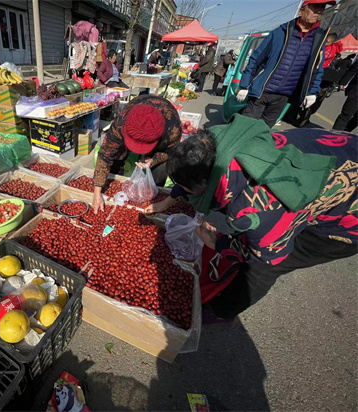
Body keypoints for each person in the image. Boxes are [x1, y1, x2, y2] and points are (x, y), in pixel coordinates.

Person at [147, 114, 357, 318]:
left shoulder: (257, 207)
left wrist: (218, 244)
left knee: (267, 265)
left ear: (204, 187)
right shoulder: (223, 142)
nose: (182, 190)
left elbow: (264, 258)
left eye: (185, 188)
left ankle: (223, 310)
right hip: (340, 149)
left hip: (349, 209)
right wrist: (168, 201)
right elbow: (194, 175)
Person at [237, 0, 333, 128]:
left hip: (283, 96)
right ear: (301, 10)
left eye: (322, 8)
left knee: (263, 131)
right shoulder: (281, 32)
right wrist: (244, 85)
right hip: (262, 91)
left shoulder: (318, 38)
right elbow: (256, 58)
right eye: (315, 8)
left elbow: (316, 68)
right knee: (243, 127)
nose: (318, 12)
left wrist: (312, 91)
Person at [92, 95, 181, 213]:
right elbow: (106, 154)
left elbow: (169, 152)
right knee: (116, 158)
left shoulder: (172, 129)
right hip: (133, 116)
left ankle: (154, 196)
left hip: (162, 134)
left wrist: (154, 159)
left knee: (160, 170)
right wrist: (97, 192)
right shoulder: (121, 123)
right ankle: (117, 177)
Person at [332, 58, 357, 132]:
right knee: (346, 115)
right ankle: (334, 135)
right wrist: (343, 82)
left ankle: (345, 132)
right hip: (356, 91)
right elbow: (352, 70)